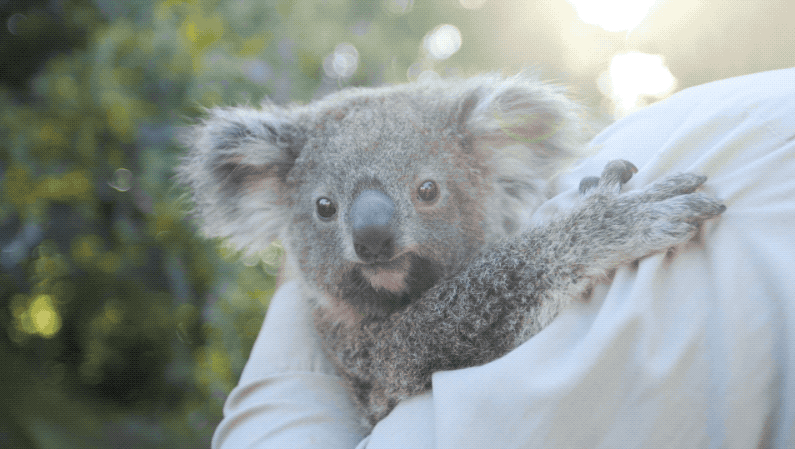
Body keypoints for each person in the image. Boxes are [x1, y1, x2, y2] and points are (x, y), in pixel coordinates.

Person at [211, 67, 795, 449]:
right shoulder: (339, 323)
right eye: (323, 206)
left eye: (427, 191)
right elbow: (404, 354)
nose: (371, 236)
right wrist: (573, 247)